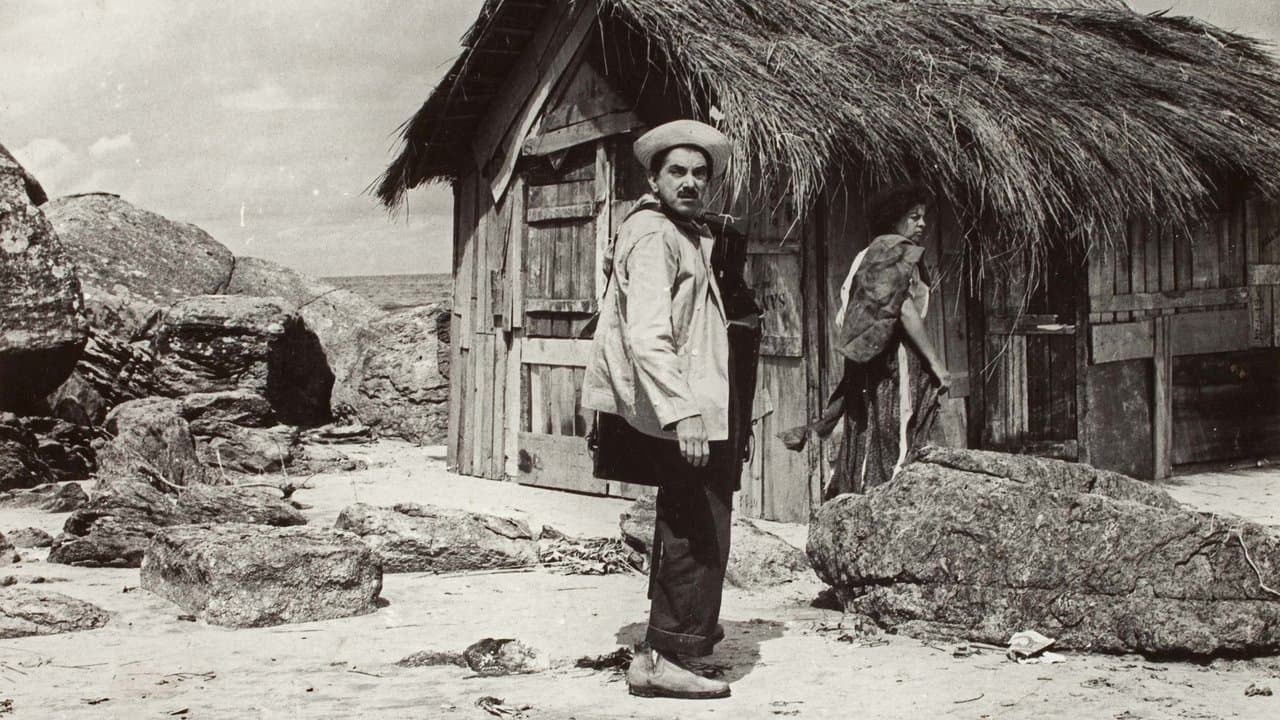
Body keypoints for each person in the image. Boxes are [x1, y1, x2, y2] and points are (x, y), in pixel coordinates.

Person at [581, 119, 741, 700]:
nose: (690, 182)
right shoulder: (654, 235)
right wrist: (683, 413)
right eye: (677, 171)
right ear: (654, 179)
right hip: (679, 405)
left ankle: (675, 645)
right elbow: (648, 334)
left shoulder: (678, 232)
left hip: (690, 399)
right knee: (695, 524)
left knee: (691, 517)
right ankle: (661, 657)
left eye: (700, 173)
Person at [780, 183, 950, 498]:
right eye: (914, 217)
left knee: (868, 438)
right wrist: (936, 364)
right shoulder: (896, 250)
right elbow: (904, 310)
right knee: (897, 438)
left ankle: (862, 504)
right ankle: (892, 506)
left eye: (923, 217)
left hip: (869, 364)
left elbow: (846, 315)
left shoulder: (866, 255)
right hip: (894, 364)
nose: (922, 224)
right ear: (894, 218)